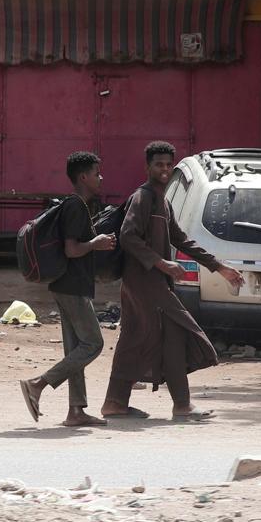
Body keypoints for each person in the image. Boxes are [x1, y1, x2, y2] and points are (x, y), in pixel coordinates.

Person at [101, 141, 243, 422]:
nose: (164, 169)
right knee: (177, 330)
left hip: (151, 282)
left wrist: (219, 267)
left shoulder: (163, 201)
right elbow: (128, 236)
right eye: (158, 164)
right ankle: (182, 405)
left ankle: (115, 402)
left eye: (168, 165)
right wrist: (161, 262)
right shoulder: (142, 198)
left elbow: (181, 239)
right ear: (147, 167)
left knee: (134, 337)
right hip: (143, 281)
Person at [19, 151, 116, 426]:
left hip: (65, 284)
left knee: (76, 349)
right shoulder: (75, 206)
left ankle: (76, 411)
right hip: (72, 286)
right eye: (97, 173)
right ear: (83, 177)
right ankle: (37, 384)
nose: (101, 178)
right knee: (93, 344)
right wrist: (96, 243)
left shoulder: (73, 204)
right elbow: (72, 250)